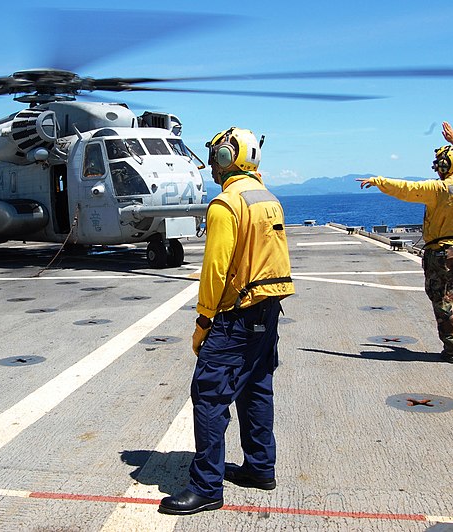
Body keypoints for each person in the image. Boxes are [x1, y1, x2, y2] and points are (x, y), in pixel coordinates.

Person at [158, 127, 294, 515]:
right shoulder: (267, 198)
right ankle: (260, 467)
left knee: (209, 395)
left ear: (225, 158)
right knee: (256, 388)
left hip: (237, 315)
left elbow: (215, 271)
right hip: (268, 312)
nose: (212, 165)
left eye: (216, 155)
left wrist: (203, 323)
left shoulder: (225, 204)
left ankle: (206, 487)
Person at [357, 122, 453, 365]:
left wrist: (378, 181)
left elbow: (407, 188)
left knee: (443, 301)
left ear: (444, 166)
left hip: (441, 252)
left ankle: (452, 350)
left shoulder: (438, 189)